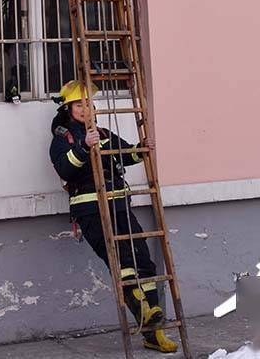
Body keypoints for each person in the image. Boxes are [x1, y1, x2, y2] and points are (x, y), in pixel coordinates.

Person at [49, 80, 178, 353]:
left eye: (88, 104)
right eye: (79, 105)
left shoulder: (103, 132)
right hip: (90, 208)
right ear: (67, 109)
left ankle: (153, 328)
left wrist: (140, 149)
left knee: (143, 260)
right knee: (122, 263)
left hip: (118, 204)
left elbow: (125, 155)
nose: (86, 109)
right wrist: (83, 146)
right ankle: (145, 316)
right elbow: (65, 168)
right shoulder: (62, 140)